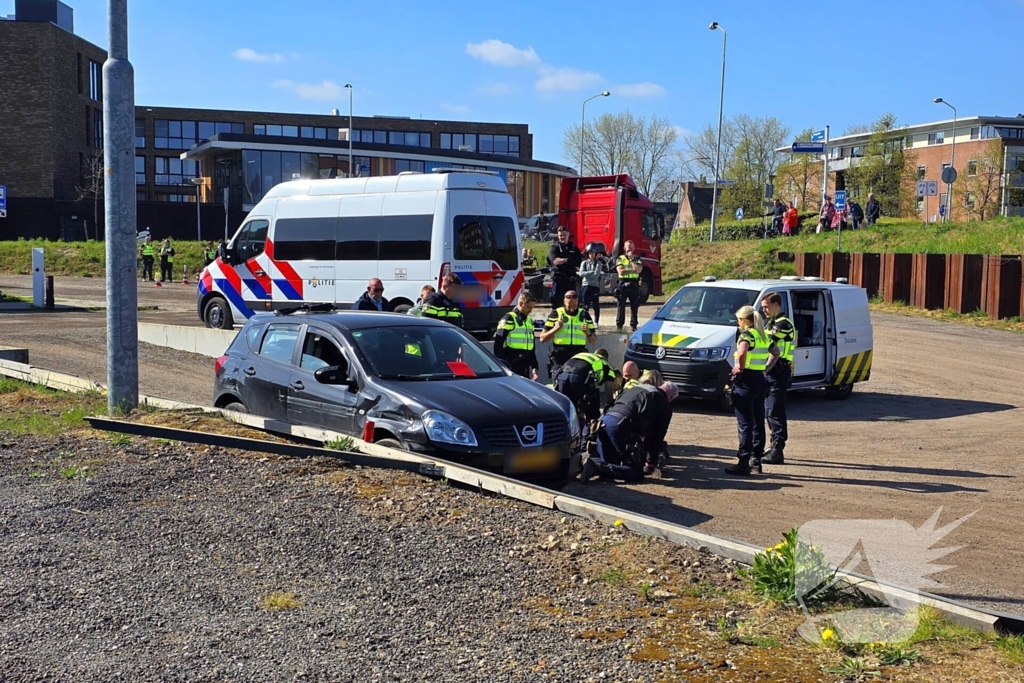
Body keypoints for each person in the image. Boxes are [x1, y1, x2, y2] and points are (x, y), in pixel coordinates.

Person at [582, 381, 678, 483]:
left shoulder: (636, 388)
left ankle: (584, 466)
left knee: (612, 462)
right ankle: (596, 467)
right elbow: (657, 435)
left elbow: (610, 405)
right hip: (620, 427)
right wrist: (650, 461)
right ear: (671, 398)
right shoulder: (663, 404)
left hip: (603, 423)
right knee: (636, 473)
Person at [725, 305, 780, 476]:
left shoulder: (747, 335)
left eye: (738, 320)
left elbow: (742, 353)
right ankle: (756, 461)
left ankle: (743, 462)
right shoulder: (763, 335)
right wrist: (765, 369)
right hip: (759, 381)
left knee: (745, 424)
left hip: (746, 382)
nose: (737, 323)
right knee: (758, 422)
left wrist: (740, 368)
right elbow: (776, 352)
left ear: (743, 320)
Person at [553, 348, 619, 449]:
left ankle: (561, 440)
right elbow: (609, 388)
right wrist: (610, 405)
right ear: (606, 358)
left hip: (562, 377)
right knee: (592, 413)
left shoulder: (582, 355)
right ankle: (585, 443)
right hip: (580, 378)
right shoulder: (605, 364)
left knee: (568, 411)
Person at [761, 293, 796, 465]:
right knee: (769, 411)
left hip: (779, 370)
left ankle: (778, 450)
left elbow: (767, 344)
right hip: (772, 371)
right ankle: (773, 446)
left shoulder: (783, 324)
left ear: (776, 305)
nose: (764, 310)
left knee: (775, 411)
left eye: (766, 306)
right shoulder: (771, 322)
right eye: (763, 307)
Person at [539, 289, 597, 377]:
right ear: (564, 302)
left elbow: (593, 341)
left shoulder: (585, 315)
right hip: (560, 355)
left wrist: (588, 332)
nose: (572, 309)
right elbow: (542, 338)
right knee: (560, 381)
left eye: (574, 306)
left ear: (578, 302)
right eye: (569, 306)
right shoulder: (556, 314)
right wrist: (555, 329)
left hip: (579, 355)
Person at [493, 293, 539, 380]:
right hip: (511, 365)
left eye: (532, 308)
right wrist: (501, 366)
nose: (530, 311)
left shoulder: (528, 321)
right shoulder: (509, 318)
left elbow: (531, 347)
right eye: (529, 307)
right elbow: (498, 344)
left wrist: (534, 366)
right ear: (521, 304)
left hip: (525, 364)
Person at [547, 226, 582, 310]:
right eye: (560, 235)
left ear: (568, 234)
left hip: (570, 280)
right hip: (559, 280)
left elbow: (579, 262)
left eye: (564, 235)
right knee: (557, 303)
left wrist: (565, 260)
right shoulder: (554, 248)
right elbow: (555, 262)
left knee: (572, 303)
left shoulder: (574, 247)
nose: (562, 237)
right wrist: (570, 260)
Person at [615, 240, 643, 332]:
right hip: (623, 284)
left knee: (634, 306)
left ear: (634, 248)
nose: (630, 248)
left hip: (634, 284)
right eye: (628, 246)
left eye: (631, 246)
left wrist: (632, 260)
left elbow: (638, 270)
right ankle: (619, 326)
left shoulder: (637, 258)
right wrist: (633, 270)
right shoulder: (621, 258)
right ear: (624, 248)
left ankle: (634, 326)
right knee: (621, 306)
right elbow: (621, 272)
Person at [578, 243, 604, 327]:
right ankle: (585, 320)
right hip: (585, 285)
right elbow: (581, 273)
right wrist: (591, 272)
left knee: (596, 304)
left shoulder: (598, 263)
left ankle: (596, 322)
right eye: (589, 253)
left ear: (596, 253)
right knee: (585, 304)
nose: (591, 254)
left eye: (593, 253)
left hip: (594, 286)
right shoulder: (584, 263)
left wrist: (587, 274)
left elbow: (596, 275)